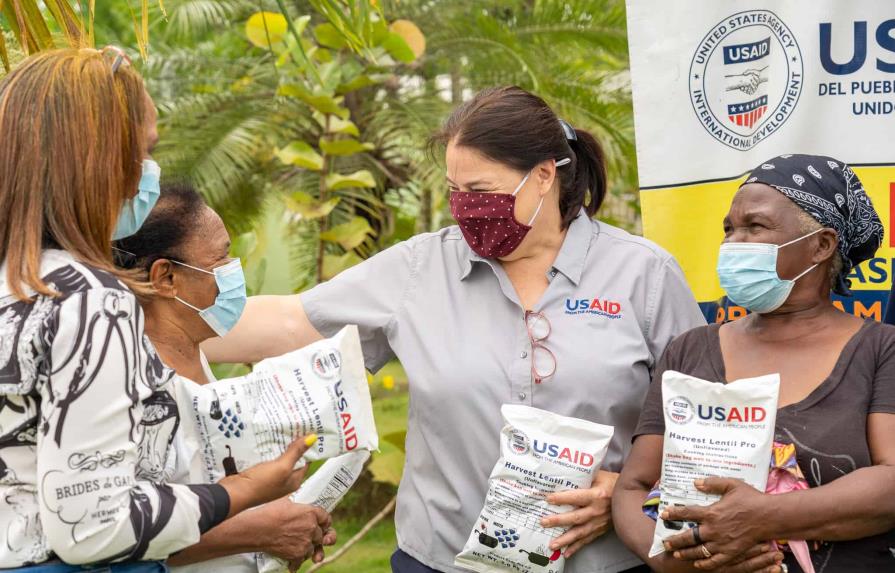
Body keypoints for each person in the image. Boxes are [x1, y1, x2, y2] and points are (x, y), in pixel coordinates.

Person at [202, 86, 706, 573]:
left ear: (545, 176)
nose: (466, 206)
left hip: (605, 563)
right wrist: (157, 319)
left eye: (481, 191)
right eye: (454, 191)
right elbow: (293, 321)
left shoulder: (645, 277)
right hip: (441, 560)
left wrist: (627, 493)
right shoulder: (422, 268)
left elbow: (700, 432)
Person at [0, 48, 316, 571]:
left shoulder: (19, 279)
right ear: (97, 159)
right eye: (144, 151)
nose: (152, 172)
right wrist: (240, 491)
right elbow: (92, 528)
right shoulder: (88, 297)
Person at [612, 154, 895, 573]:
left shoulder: (881, 350)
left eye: (755, 227)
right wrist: (672, 563)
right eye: (729, 229)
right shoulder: (688, 351)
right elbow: (631, 487)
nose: (732, 243)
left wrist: (759, 516)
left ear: (821, 245)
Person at [113, 181, 337, 572]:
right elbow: (118, 533)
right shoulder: (135, 383)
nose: (235, 273)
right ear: (167, 278)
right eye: (222, 259)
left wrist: (286, 519)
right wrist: (260, 531)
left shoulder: (192, 350)